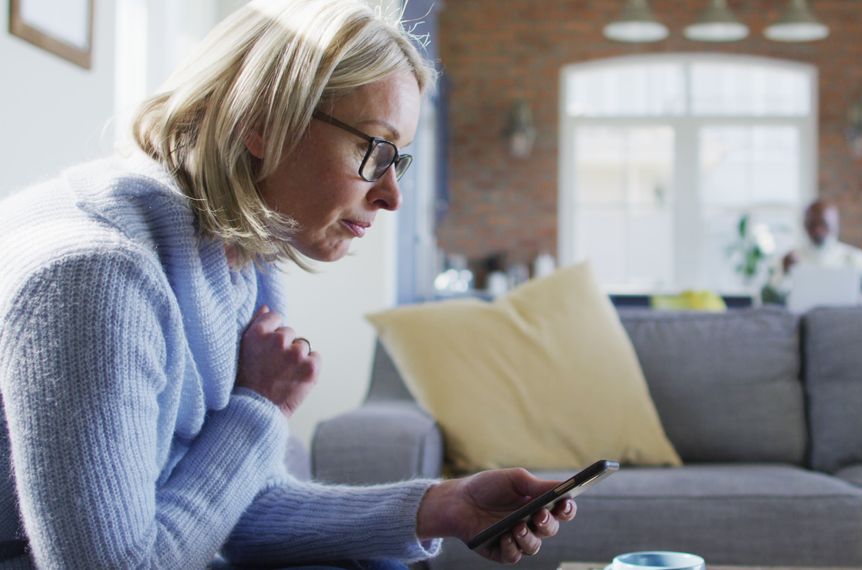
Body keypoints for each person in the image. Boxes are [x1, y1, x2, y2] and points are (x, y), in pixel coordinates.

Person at [0, 1, 576, 567]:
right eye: (373, 148)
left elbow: (234, 507)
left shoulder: (234, 256)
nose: (391, 196)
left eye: (397, 161)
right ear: (263, 122)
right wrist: (260, 407)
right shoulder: (98, 279)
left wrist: (442, 507)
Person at [762, 199, 862, 307]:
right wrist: (783, 274)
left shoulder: (854, 259)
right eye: (812, 225)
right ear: (804, 225)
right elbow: (765, 299)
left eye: (824, 224)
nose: (818, 231)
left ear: (835, 224)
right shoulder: (790, 259)